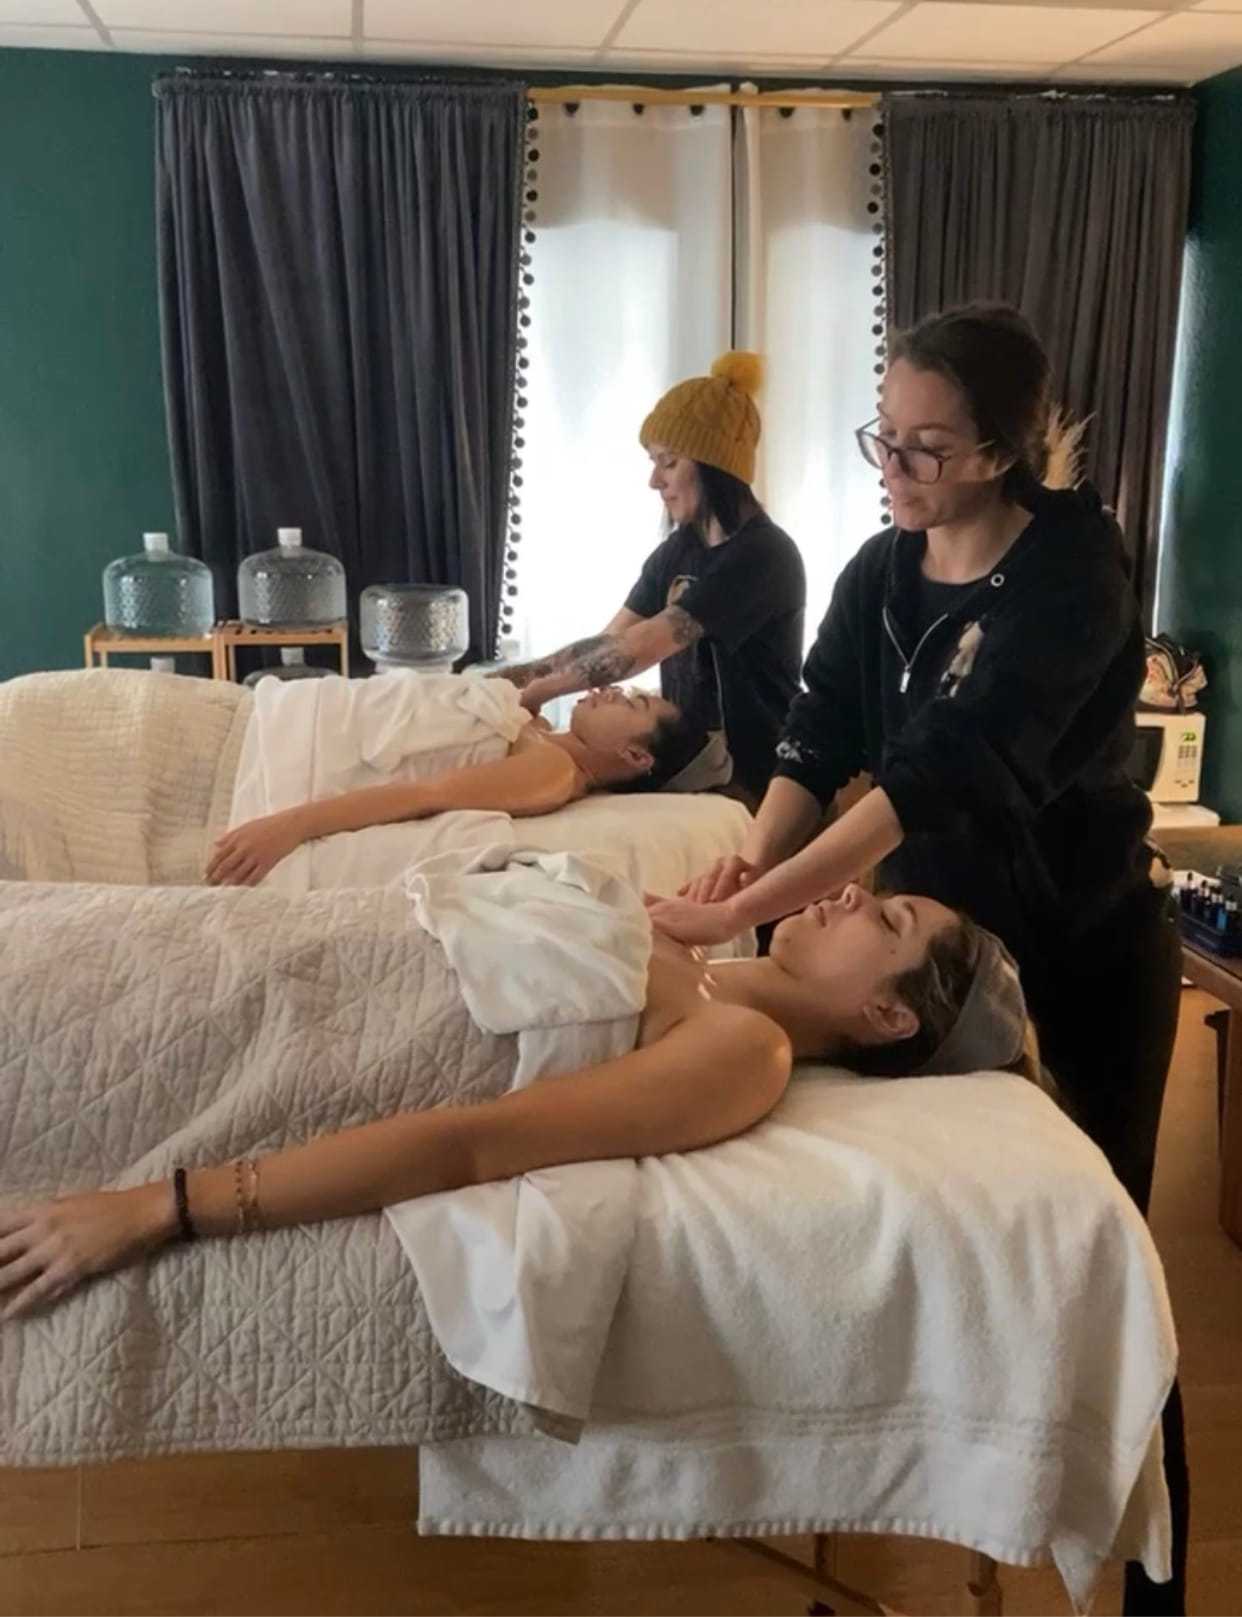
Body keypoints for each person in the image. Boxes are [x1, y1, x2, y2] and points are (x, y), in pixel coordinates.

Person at [647, 302, 1187, 1617]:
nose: (891, 469)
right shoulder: (882, 573)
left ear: (1003, 452)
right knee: (951, 1256)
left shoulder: (1075, 573)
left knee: (1103, 1267)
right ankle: (942, 1492)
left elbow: (937, 770)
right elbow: (816, 735)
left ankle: (1149, 1577)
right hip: (940, 948)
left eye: (925, 449)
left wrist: (754, 911)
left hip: (1077, 949)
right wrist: (745, 869)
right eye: (880, 439)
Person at [0, 883, 1030, 1319]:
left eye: (884, 918)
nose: (850, 894)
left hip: (277, 1001)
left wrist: (161, 1206)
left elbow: (472, 1146)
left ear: (890, 1019)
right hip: (296, 933)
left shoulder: (744, 1050)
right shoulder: (698, 958)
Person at [497, 352, 805, 805]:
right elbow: (610, 641)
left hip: (755, 782)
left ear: (714, 465)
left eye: (668, 462)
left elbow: (640, 648)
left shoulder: (762, 556)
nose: (653, 481)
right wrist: (505, 683)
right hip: (689, 770)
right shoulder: (679, 550)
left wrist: (539, 693)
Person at [206, 685, 702, 888]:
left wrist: (290, 826)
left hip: (270, 742)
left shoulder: (552, 771)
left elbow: (428, 794)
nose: (612, 690)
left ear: (636, 756)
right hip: (279, 715)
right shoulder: (545, 736)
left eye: (632, 704)